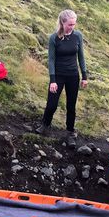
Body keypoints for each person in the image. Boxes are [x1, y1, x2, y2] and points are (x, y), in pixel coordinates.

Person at [36, 9, 88, 149]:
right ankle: (45, 124)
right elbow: (51, 60)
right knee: (52, 104)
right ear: (62, 23)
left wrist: (84, 76)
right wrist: (52, 80)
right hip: (58, 75)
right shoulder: (54, 38)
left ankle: (70, 132)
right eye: (70, 24)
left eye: (74, 24)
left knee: (71, 106)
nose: (72, 27)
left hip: (73, 75)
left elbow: (81, 56)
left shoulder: (78, 36)